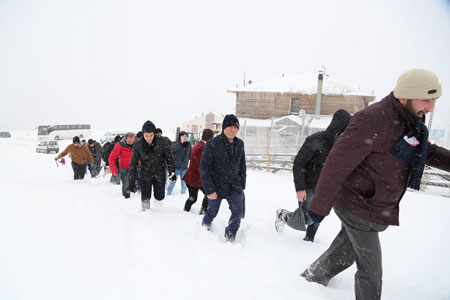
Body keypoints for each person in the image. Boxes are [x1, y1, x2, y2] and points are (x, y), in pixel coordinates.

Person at [300, 69, 450, 300]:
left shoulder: (410, 122)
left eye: (434, 100)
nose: (430, 107)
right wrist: (319, 207)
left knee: (346, 252)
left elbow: (425, 151)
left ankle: (313, 276)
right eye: (426, 100)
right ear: (405, 97)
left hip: (375, 205)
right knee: (371, 269)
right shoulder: (372, 119)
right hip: (357, 203)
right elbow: (336, 164)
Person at [275, 109, 352, 242]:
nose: (347, 134)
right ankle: (283, 215)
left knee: (318, 215)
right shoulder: (315, 140)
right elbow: (299, 163)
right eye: (345, 130)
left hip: (325, 188)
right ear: (338, 128)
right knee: (306, 219)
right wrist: (300, 188)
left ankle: (309, 239)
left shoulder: (343, 147)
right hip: (308, 186)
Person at [200, 114, 246, 242]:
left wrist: (242, 185)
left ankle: (230, 236)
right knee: (212, 211)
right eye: (230, 126)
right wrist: (209, 190)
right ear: (224, 127)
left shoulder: (240, 144)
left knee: (237, 212)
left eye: (236, 127)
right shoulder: (212, 144)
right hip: (216, 185)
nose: (233, 129)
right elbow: (204, 168)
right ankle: (205, 225)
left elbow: (242, 166)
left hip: (234, 185)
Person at [128, 121, 176, 211]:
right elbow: (133, 163)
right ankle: (145, 213)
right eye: (146, 136)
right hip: (145, 174)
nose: (149, 138)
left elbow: (169, 157)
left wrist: (172, 171)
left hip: (159, 173)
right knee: (145, 197)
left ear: (154, 133)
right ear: (143, 134)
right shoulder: (138, 145)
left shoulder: (162, 142)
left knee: (160, 196)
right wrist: (131, 180)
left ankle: (158, 210)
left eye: (151, 135)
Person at [183, 128, 214, 214]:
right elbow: (200, 165)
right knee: (196, 198)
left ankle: (201, 211)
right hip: (195, 178)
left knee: (206, 195)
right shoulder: (203, 147)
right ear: (210, 138)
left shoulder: (199, 145)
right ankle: (187, 211)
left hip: (194, 178)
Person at [109, 132, 135, 198]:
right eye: (129, 141)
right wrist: (114, 171)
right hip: (124, 168)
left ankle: (136, 197)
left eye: (132, 141)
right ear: (125, 139)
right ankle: (126, 198)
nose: (131, 143)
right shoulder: (119, 145)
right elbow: (111, 158)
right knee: (126, 184)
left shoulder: (137, 144)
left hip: (134, 167)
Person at [167, 131, 192, 195]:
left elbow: (190, 155)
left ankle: (183, 195)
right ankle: (168, 193)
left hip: (184, 167)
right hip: (175, 167)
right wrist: (181, 143)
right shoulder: (175, 143)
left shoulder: (188, 145)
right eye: (183, 136)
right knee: (172, 182)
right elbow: (171, 150)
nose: (184, 137)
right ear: (180, 137)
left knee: (184, 182)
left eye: (186, 136)